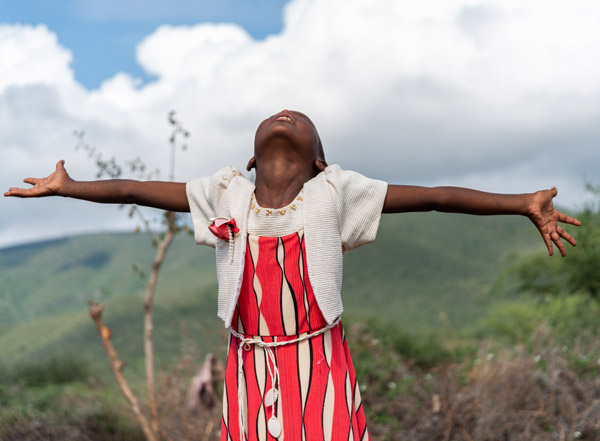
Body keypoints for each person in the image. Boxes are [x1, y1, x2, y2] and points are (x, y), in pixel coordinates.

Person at [4, 109, 580, 441]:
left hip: (318, 357)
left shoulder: (336, 190)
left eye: (300, 120)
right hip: (248, 359)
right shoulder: (225, 190)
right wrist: (71, 187)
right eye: (277, 116)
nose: (286, 113)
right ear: (252, 158)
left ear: (319, 160)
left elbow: (436, 196)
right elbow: (134, 188)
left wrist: (523, 201)